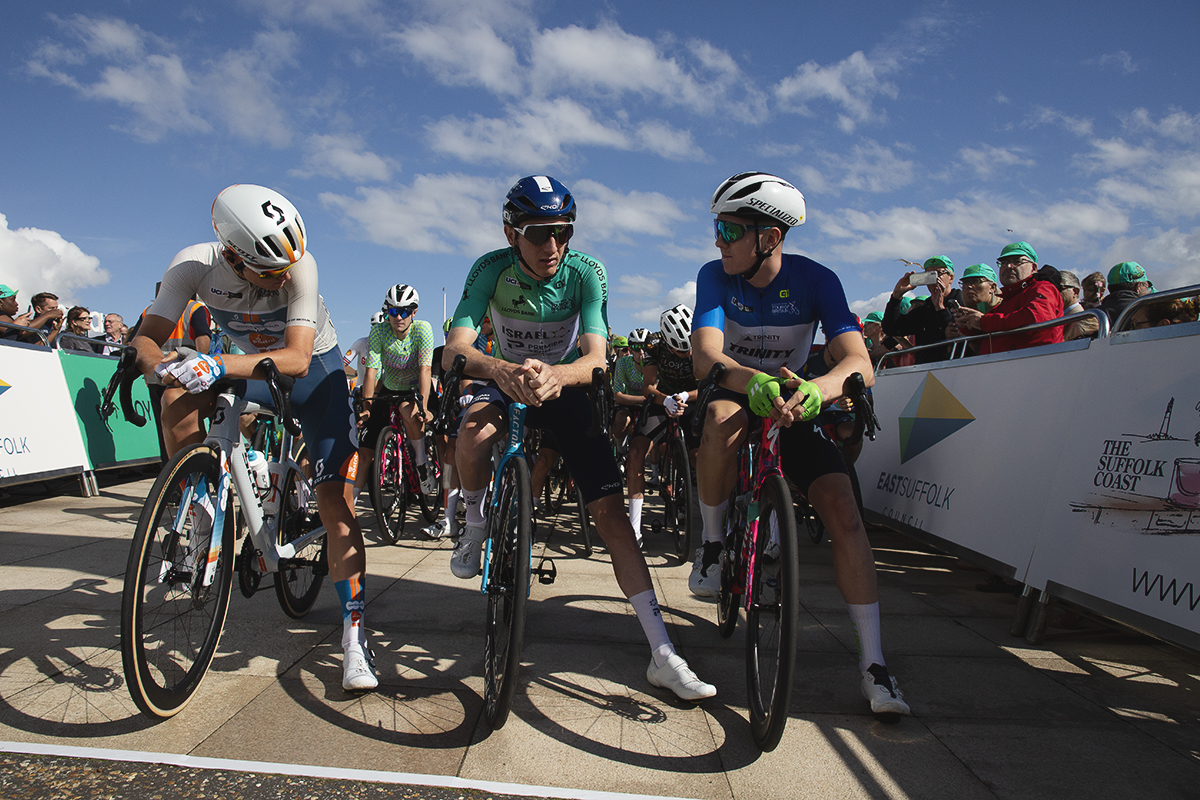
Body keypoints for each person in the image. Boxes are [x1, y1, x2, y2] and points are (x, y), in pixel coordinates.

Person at [443, 174, 715, 702]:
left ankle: (663, 653)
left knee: (612, 516)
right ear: (510, 232)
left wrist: (556, 376)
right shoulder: (489, 270)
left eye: (562, 233)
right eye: (539, 233)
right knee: (473, 436)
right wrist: (499, 369)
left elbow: (595, 357)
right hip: (504, 376)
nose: (553, 247)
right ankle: (475, 524)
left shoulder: (586, 272)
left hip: (562, 384)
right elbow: (456, 349)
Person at [131, 183, 375, 693]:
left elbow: (296, 360)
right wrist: (166, 368)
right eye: (268, 272)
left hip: (313, 376)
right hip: (248, 369)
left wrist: (214, 362)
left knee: (337, 506)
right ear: (230, 254)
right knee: (177, 399)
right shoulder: (192, 266)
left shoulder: (299, 264)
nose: (282, 278)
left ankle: (354, 636)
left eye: (287, 267)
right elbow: (147, 339)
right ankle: (199, 513)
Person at [692, 171, 909, 717]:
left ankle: (875, 665)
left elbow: (860, 362)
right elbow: (706, 359)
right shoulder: (715, 277)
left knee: (844, 511)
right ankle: (714, 547)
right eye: (716, 225)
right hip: (742, 392)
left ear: (770, 236)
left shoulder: (817, 280)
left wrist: (819, 389)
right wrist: (754, 382)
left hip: (795, 398)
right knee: (719, 416)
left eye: (729, 228)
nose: (718, 239)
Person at [354, 284, 438, 500]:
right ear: (386, 312)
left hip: (416, 388)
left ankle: (421, 460)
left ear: (414, 312)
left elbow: (425, 369)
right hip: (390, 387)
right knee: (365, 451)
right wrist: (367, 409)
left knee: (408, 410)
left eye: (405, 311)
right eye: (393, 311)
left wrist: (424, 406)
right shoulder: (379, 331)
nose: (398, 317)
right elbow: (371, 373)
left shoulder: (423, 329)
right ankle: (349, 506)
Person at [952, 242, 1064, 354]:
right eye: (1004, 262)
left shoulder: (1043, 287)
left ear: (1033, 267)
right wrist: (968, 324)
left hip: (1035, 362)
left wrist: (983, 321)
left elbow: (1034, 317)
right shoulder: (1007, 300)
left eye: (1017, 261)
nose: (1009, 266)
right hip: (1007, 365)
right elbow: (993, 330)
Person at [882, 256, 960, 364]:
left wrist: (940, 308)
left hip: (955, 368)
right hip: (925, 372)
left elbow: (955, 333)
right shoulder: (925, 308)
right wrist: (896, 296)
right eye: (928, 275)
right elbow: (891, 328)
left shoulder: (961, 301)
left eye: (938, 273)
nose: (934, 278)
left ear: (951, 278)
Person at [1057, 270, 1099, 340]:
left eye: (1059, 288)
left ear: (1075, 292)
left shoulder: (1083, 322)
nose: (1053, 292)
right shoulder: (1055, 318)